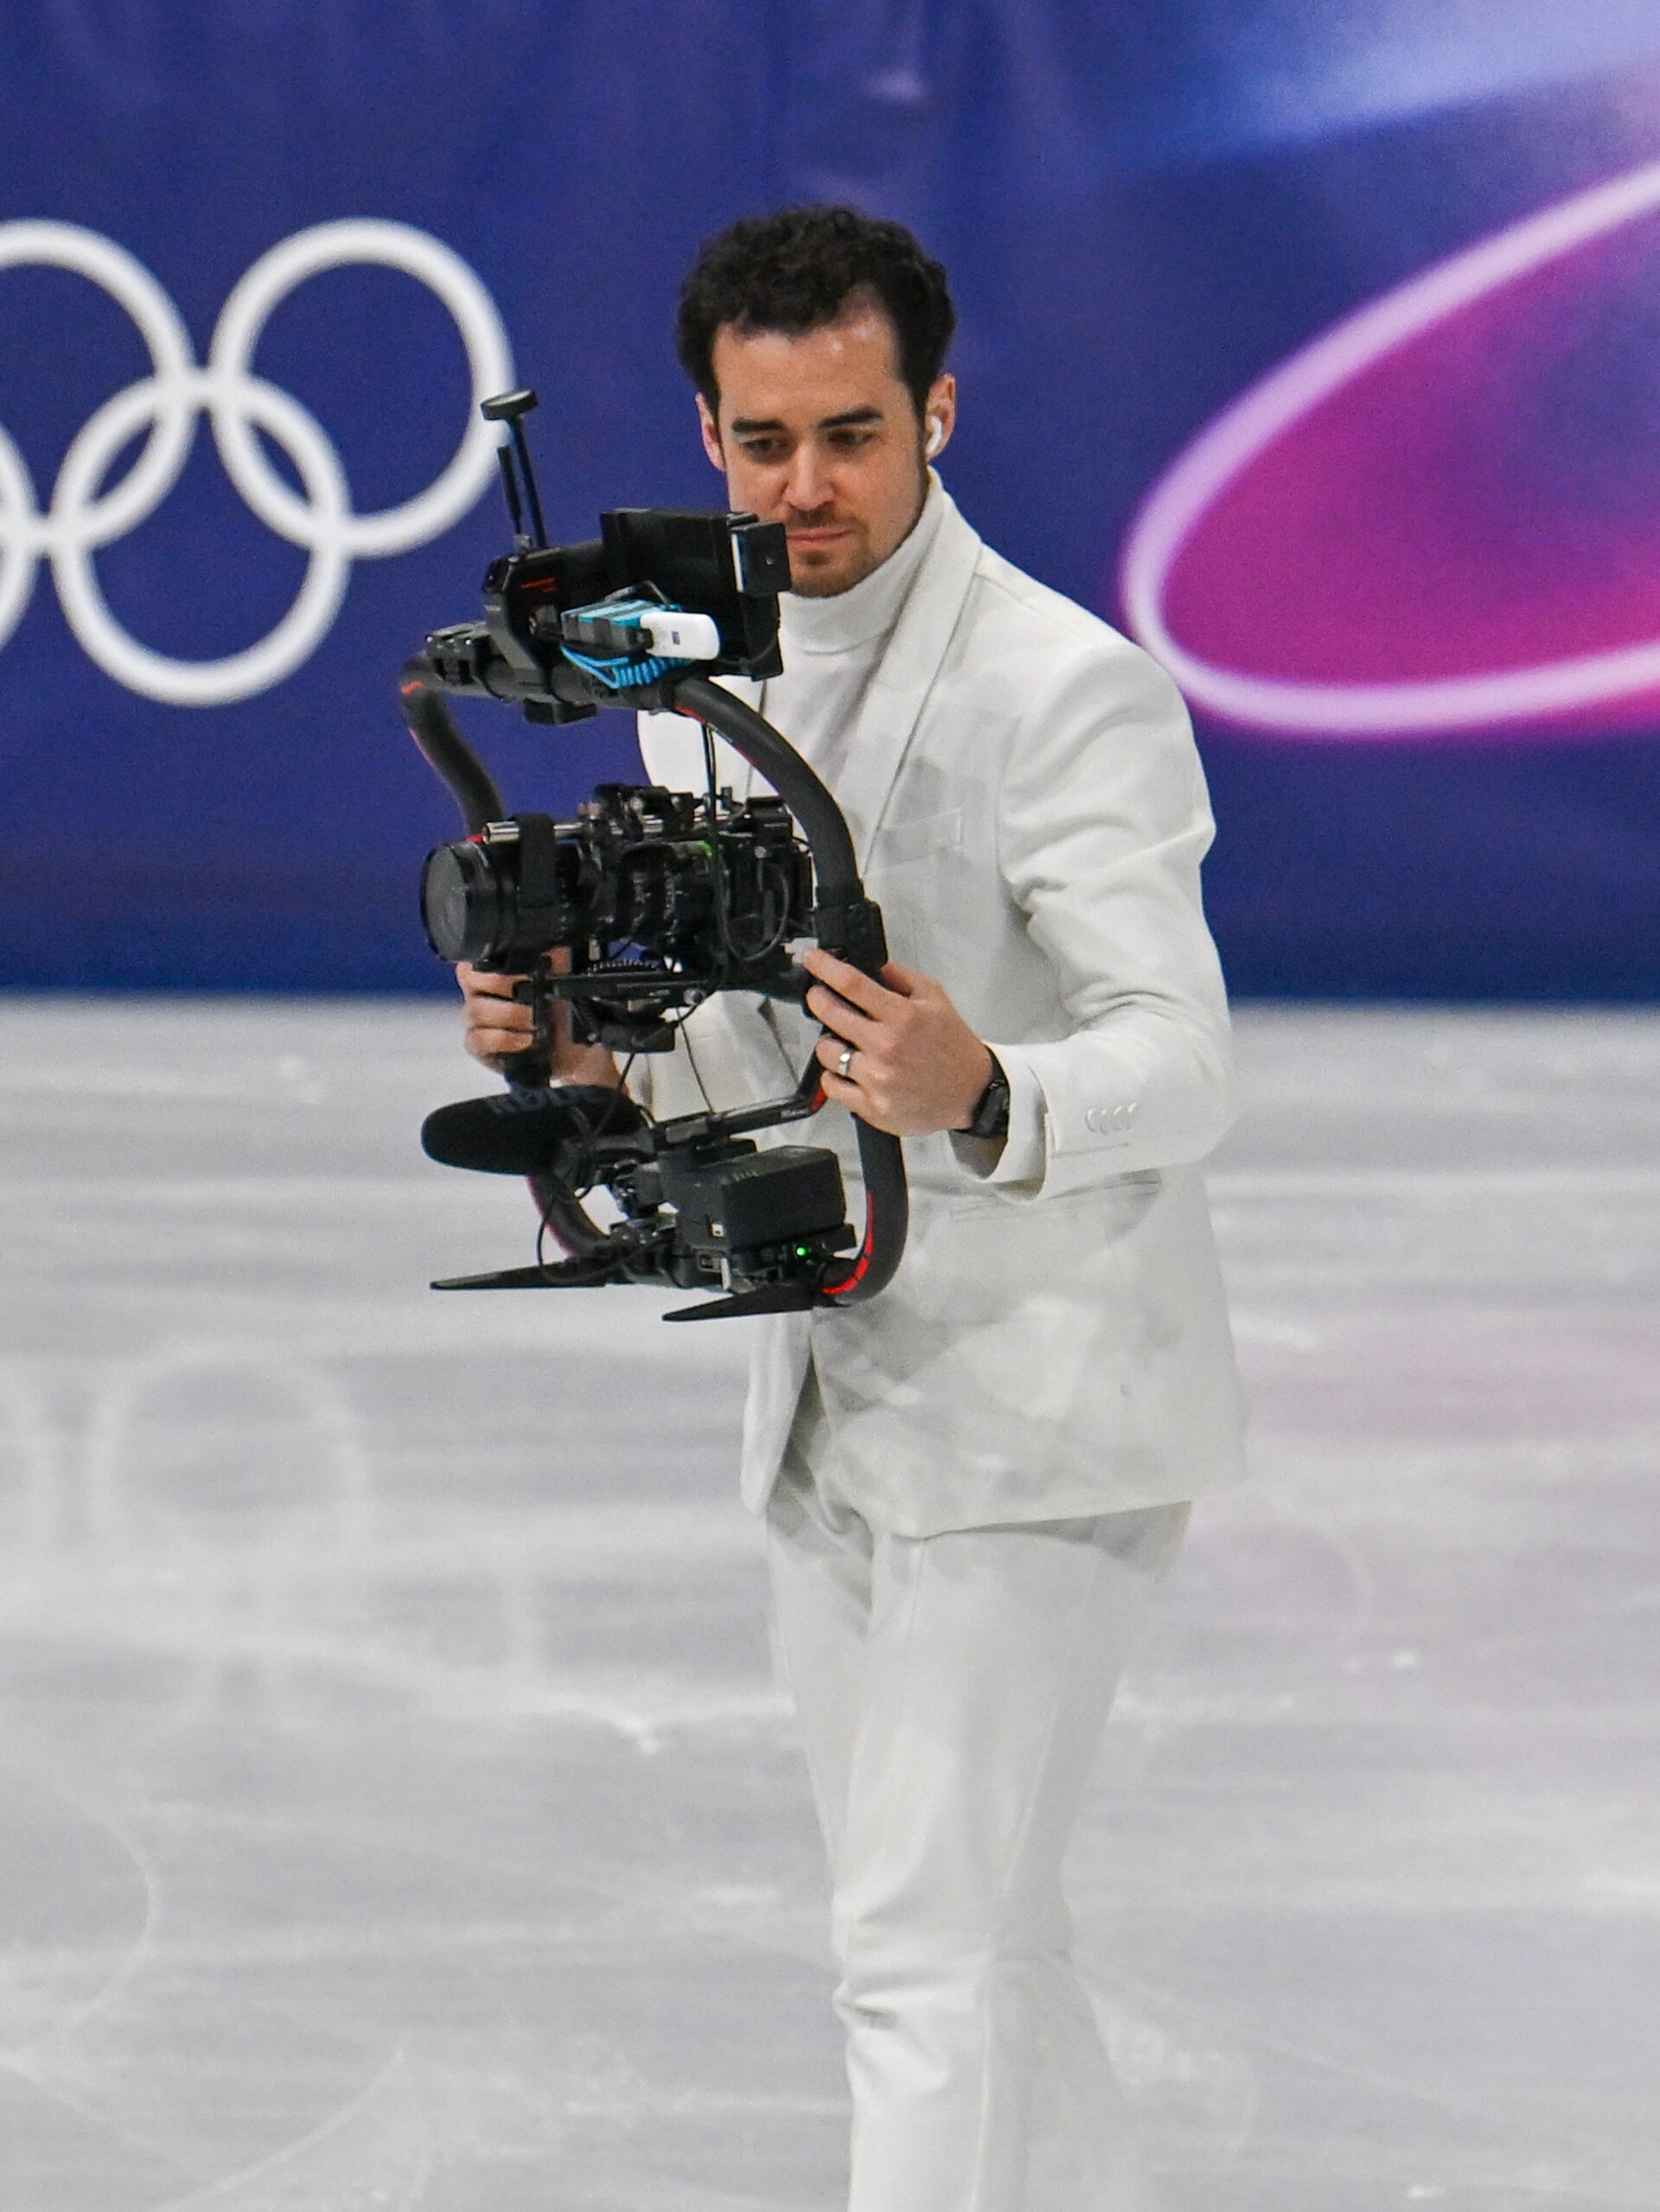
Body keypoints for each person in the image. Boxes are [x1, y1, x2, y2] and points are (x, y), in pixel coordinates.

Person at [459, 205, 1247, 2212]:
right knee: (983, 1936)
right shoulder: (684, 680)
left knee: (914, 1951)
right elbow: (728, 1065)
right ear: (708, 433)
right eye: (761, 440)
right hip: (827, 1395)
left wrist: (987, 1086)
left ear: (939, 415)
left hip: (1040, 1409)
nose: (804, 487)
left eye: (854, 435)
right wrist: (573, 1053)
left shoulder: (1064, 687)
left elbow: (1189, 1059)